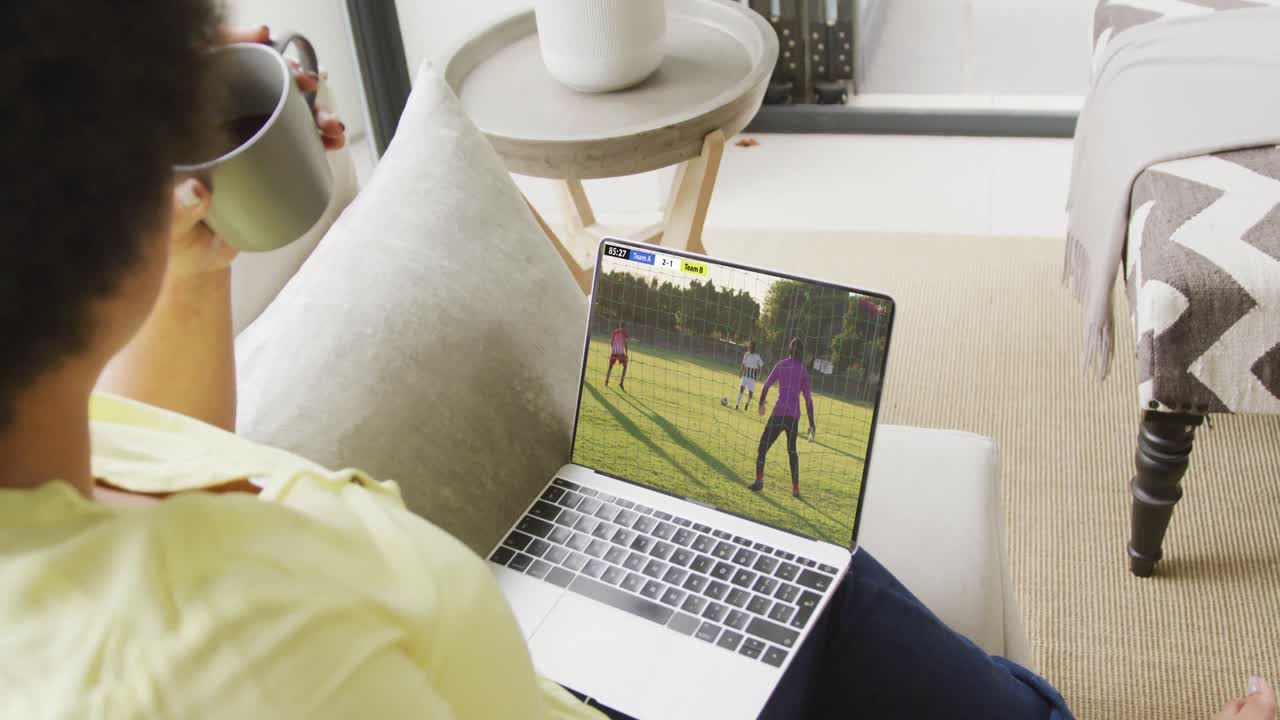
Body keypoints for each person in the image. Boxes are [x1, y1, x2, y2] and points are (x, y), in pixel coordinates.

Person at [1, 4, 1272, 719]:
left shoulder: (48, 463)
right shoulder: (242, 667)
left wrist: (197, 270)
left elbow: (155, 447)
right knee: (841, 609)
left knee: (786, 552)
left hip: (552, 624)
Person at [751, 338, 815, 499]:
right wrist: (812, 424)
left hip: (779, 413)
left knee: (762, 447)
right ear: (802, 352)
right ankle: (795, 488)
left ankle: (759, 481)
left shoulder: (781, 364)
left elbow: (766, 385)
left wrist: (761, 403)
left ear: (789, 349)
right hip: (793, 417)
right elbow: (808, 399)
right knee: (792, 451)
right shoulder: (803, 371)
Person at [735, 340, 765, 410]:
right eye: (749, 347)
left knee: (750, 393)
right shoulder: (746, 354)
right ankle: (737, 405)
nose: (749, 348)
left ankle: (747, 404)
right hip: (745, 376)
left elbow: (761, 365)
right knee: (741, 389)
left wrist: (760, 375)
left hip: (752, 378)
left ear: (754, 348)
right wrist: (740, 372)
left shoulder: (757, 356)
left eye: (751, 347)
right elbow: (743, 364)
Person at [605, 320, 629, 390]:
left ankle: (606, 381)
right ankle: (621, 382)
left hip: (614, 352)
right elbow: (625, 344)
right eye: (626, 327)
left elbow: (611, 342)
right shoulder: (624, 333)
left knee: (610, 367)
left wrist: (613, 349)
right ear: (624, 327)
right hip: (620, 353)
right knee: (625, 366)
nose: (626, 328)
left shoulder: (615, 331)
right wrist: (626, 354)